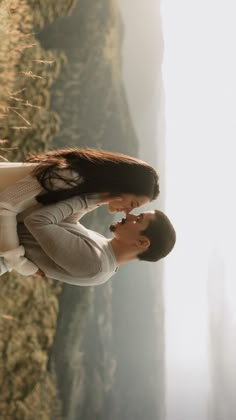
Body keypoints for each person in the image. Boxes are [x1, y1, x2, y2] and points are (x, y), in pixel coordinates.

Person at [0, 148, 159, 276]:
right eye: (132, 204)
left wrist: (99, 199)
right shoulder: (70, 177)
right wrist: (21, 264)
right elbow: (5, 205)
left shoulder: (85, 189)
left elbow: (65, 219)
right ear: (123, 187)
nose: (128, 212)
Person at [0, 193, 176, 285]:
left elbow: (37, 221)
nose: (129, 215)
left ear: (142, 243)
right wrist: (100, 200)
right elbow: (67, 222)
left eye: (138, 220)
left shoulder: (96, 264)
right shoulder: (104, 249)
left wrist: (87, 200)